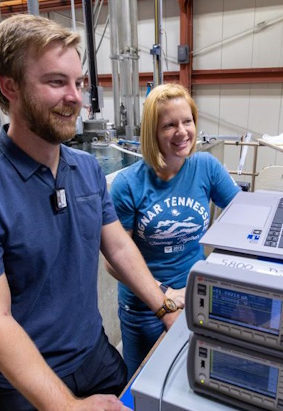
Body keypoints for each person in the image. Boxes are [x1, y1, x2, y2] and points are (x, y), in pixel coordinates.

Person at [0, 15, 182, 411]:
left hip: (93, 352)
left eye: (79, 83)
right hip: (23, 382)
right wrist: (67, 407)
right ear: (9, 85)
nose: (75, 98)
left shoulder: (85, 168)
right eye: (56, 82)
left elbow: (117, 245)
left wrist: (165, 307)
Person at [108, 84, 241, 378]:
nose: (182, 132)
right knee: (144, 381)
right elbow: (114, 259)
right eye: (169, 125)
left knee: (191, 376)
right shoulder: (128, 185)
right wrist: (166, 296)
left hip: (195, 295)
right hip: (143, 305)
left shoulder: (205, 166)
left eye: (187, 121)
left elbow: (242, 218)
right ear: (152, 133)